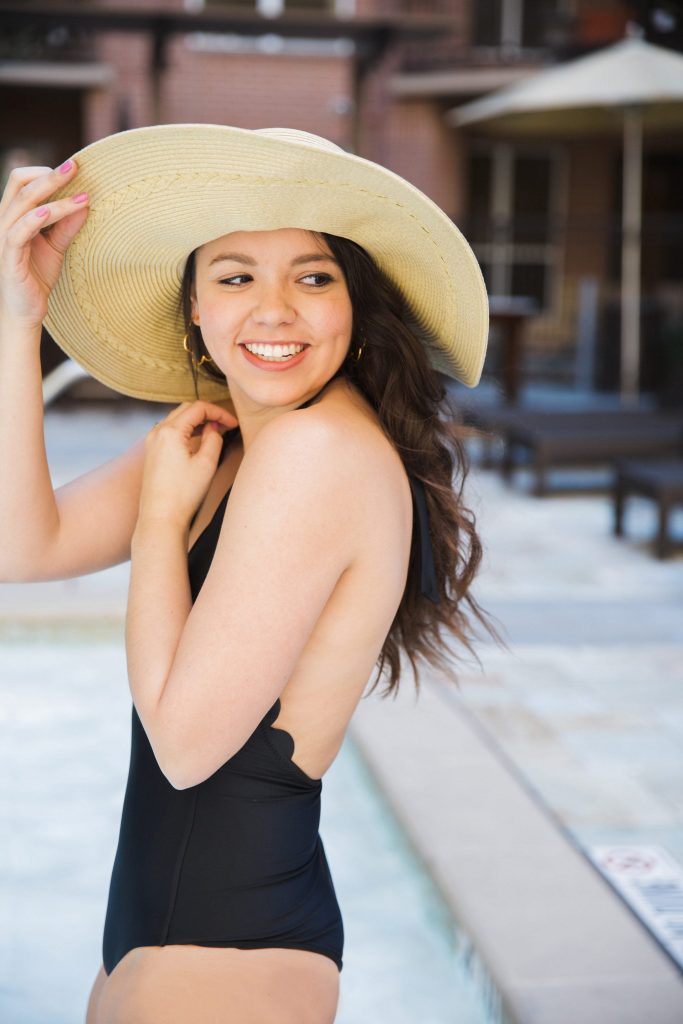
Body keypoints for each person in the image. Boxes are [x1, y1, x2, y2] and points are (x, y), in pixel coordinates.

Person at [0, 124, 499, 1024]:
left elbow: (187, 750)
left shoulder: (313, 451)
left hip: (225, 959)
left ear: (356, 302)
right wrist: (17, 321)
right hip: (191, 943)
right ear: (194, 308)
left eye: (313, 277)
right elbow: (20, 547)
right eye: (235, 277)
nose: (274, 311)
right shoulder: (241, 439)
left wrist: (159, 520)